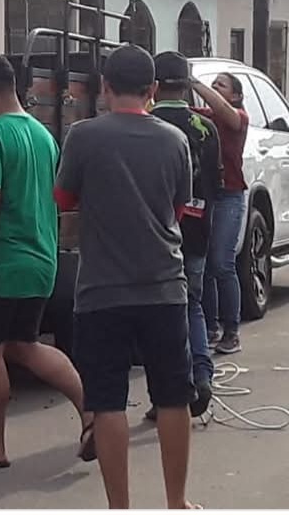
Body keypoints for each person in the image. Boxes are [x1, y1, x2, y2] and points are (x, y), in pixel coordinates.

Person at [55, 45, 197, 510]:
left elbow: (62, 198)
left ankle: (120, 507)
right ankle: (176, 503)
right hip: (164, 287)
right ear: (153, 91)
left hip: (101, 291)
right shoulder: (175, 140)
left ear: (105, 88)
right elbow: (177, 210)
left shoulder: (83, 136)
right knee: (173, 397)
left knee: (109, 400)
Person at [0, 53, 94, 470]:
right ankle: (93, 411)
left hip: (1, 261)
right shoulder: (43, 136)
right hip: (40, 259)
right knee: (24, 345)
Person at [147, 51, 222, 420]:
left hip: (156, 235)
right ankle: (202, 374)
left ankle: (164, 395)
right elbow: (217, 186)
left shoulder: (146, 126)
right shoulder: (206, 127)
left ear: (154, 86)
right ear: (187, 83)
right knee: (192, 305)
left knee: (156, 317)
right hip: (198, 230)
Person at [190, 71, 249, 355]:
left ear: (235, 95)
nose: (213, 88)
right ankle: (210, 328)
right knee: (205, 264)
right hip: (209, 195)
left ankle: (232, 331)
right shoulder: (205, 117)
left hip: (230, 196)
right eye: (212, 84)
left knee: (222, 263)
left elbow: (227, 114)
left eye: (220, 85)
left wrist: (195, 83)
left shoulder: (238, 117)